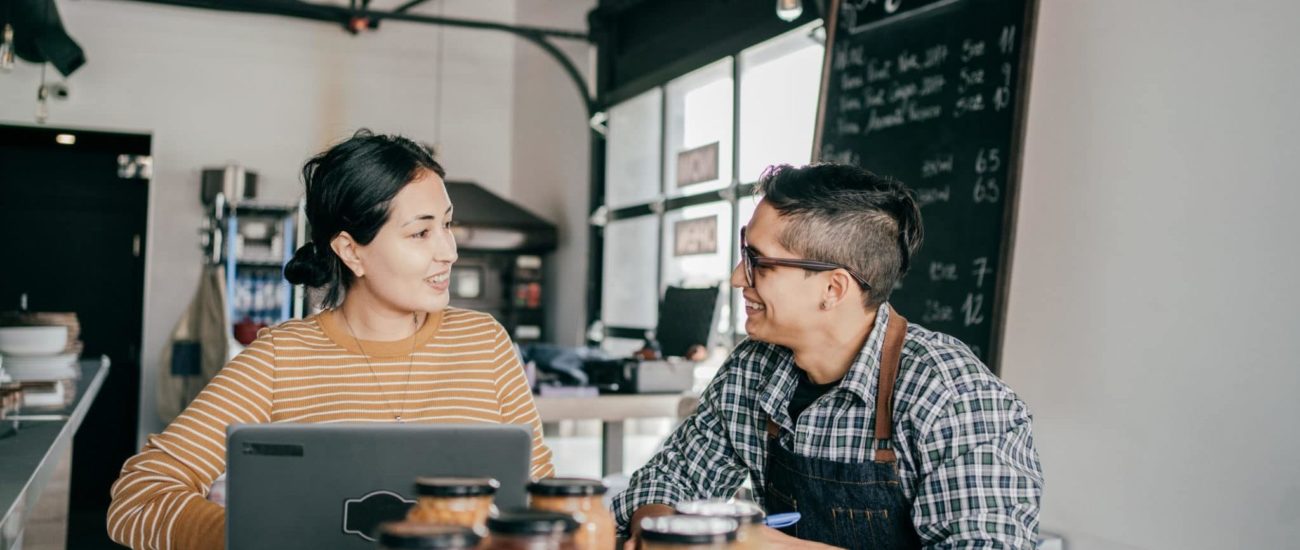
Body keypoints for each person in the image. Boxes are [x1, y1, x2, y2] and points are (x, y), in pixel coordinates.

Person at [108, 130, 554, 550]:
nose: (449, 251)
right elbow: (137, 497)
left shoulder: (484, 342)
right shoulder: (281, 357)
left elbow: (541, 493)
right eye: (421, 232)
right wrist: (252, 535)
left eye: (447, 225)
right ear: (350, 250)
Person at [613, 164, 1043, 549]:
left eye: (757, 261)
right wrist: (660, 533)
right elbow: (668, 479)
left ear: (833, 289)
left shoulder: (953, 396)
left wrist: (769, 546)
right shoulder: (752, 370)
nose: (736, 277)